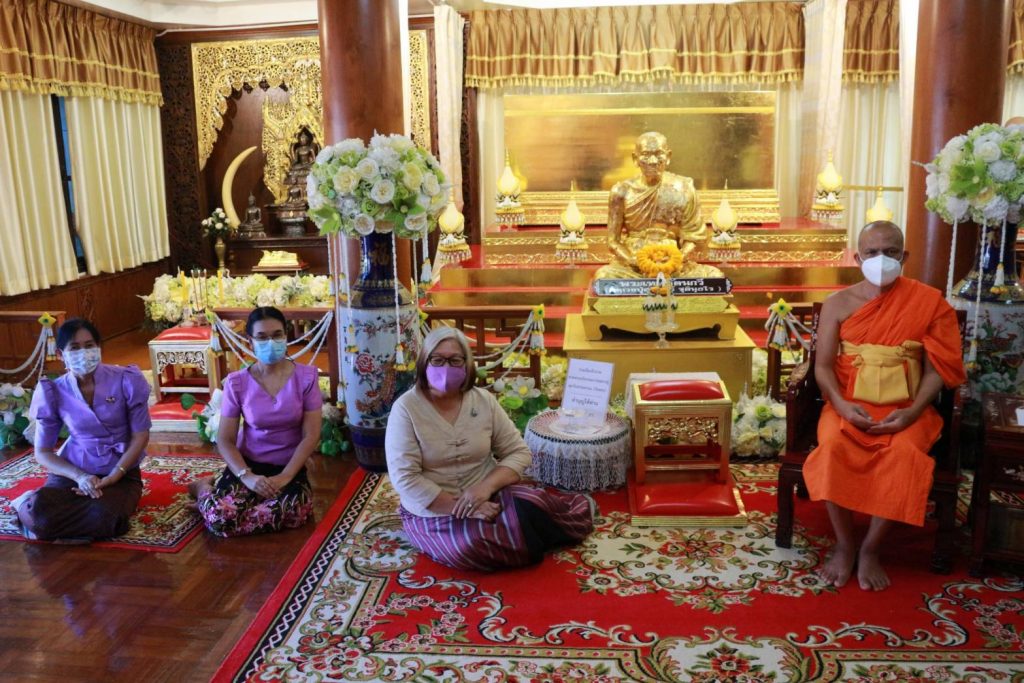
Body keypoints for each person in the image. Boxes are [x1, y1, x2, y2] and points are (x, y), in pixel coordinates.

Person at [803, 221, 966, 591]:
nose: (881, 259)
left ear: (904, 256)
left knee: (904, 455)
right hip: (848, 406)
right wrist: (841, 406)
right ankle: (845, 545)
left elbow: (937, 370)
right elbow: (823, 367)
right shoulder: (838, 303)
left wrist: (912, 412)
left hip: (907, 409)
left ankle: (871, 548)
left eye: (890, 252)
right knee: (831, 450)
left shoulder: (929, 303)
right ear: (857, 257)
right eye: (872, 252)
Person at [385, 327, 594, 571]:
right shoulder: (406, 409)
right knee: (468, 546)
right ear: (424, 362)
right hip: (436, 508)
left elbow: (518, 452)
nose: (446, 368)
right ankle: (521, 539)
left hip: (488, 495)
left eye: (455, 360)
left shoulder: (483, 400)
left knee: (536, 503)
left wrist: (485, 488)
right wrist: (464, 508)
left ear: (467, 364)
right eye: (437, 360)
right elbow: (405, 477)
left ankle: (520, 537)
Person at [13, 319, 152, 541]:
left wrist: (115, 475)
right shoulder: (53, 391)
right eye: (75, 348)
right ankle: (27, 505)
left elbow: (141, 435)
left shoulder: (126, 379)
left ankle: (71, 521)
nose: (83, 353)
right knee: (39, 515)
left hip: (121, 471)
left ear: (99, 347)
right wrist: (80, 477)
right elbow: (43, 452)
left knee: (107, 517)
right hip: (74, 470)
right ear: (61, 354)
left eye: (89, 346)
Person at [191, 306, 322, 536]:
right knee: (219, 519)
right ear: (250, 342)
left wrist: (285, 477)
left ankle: (216, 503)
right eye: (262, 337)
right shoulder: (237, 383)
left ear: (286, 336)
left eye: (277, 335)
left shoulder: (306, 378)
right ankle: (203, 488)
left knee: (294, 512)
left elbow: (311, 435)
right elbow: (225, 439)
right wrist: (248, 476)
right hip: (248, 464)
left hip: (288, 466)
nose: (270, 342)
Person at [594, 131, 721, 280]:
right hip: (635, 263)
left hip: (673, 262)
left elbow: (694, 236)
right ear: (635, 158)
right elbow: (613, 241)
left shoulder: (684, 188)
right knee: (604, 276)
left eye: (659, 154)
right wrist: (632, 260)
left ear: (668, 156)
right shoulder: (621, 191)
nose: (653, 161)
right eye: (646, 155)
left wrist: (678, 259)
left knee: (714, 276)